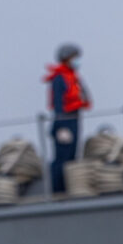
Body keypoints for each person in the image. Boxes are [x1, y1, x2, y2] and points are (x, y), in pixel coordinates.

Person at [43, 43, 91, 193]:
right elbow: (58, 103)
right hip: (64, 121)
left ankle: (70, 187)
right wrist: (61, 126)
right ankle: (57, 191)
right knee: (62, 157)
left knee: (72, 155)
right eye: (74, 57)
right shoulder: (59, 79)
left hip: (74, 119)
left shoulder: (74, 77)